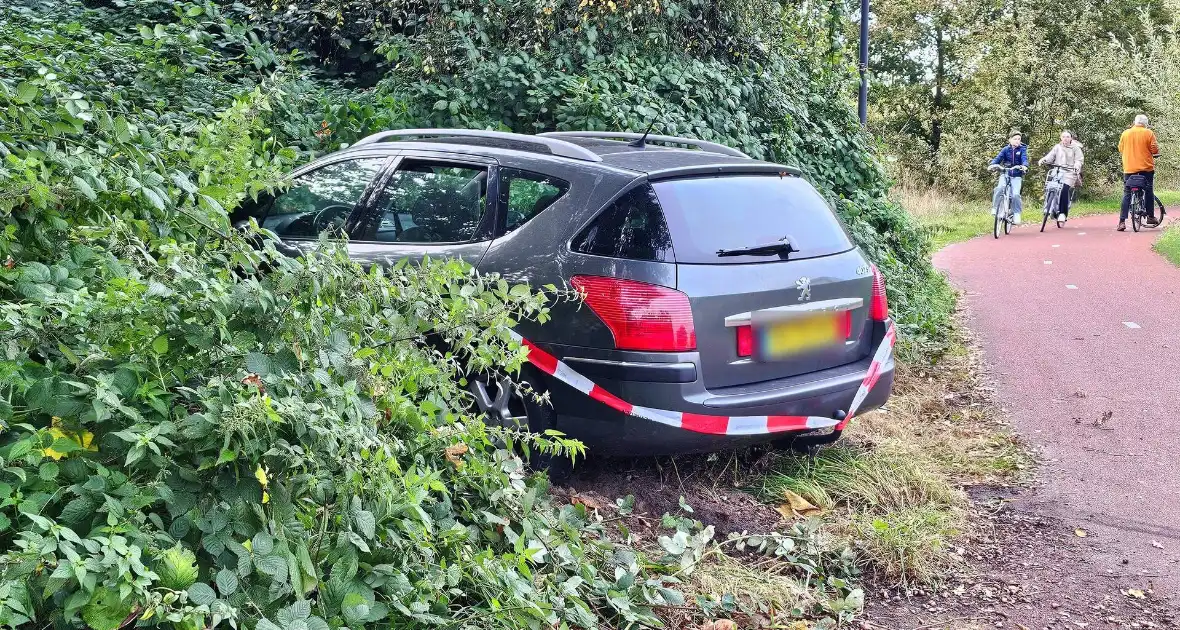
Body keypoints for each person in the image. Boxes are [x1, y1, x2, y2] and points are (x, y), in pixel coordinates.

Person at [1117, 114, 1160, 231]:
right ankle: (1150, 216)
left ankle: (1121, 222)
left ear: (1135, 122)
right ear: (1145, 123)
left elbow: (1120, 149)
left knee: (1127, 193)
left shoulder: (1125, 133)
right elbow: (1154, 149)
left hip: (1129, 169)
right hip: (1146, 169)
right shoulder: (1148, 133)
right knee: (1148, 190)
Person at [1038, 130, 1084, 223]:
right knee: (1050, 186)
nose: (1065, 139)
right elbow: (1050, 157)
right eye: (1063, 137)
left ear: (1071, 138)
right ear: (1061, 138)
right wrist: (1043, 160)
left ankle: (1063, 213)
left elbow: (1079, 160)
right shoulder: (1057, 147)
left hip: (1070, 172)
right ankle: (1049, 208)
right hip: (1058, 171)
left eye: (1067, 137)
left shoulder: (1076, 148)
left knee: (1064, 189)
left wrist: (1076, 166)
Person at [988, 131, 1029, 224]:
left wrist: (1024, 166)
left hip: (1016, 175)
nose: (1017, 141)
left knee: (1015, 195)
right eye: (1015, 139)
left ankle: (1016, 213)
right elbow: (998, 158)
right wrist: (993, 165)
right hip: (1005, 173)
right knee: (999, 188)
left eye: (1019, 139)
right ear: (1010, 140)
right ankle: (995, 208)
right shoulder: (1005, 149)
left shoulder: (1022, 149)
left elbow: (1024, 159)